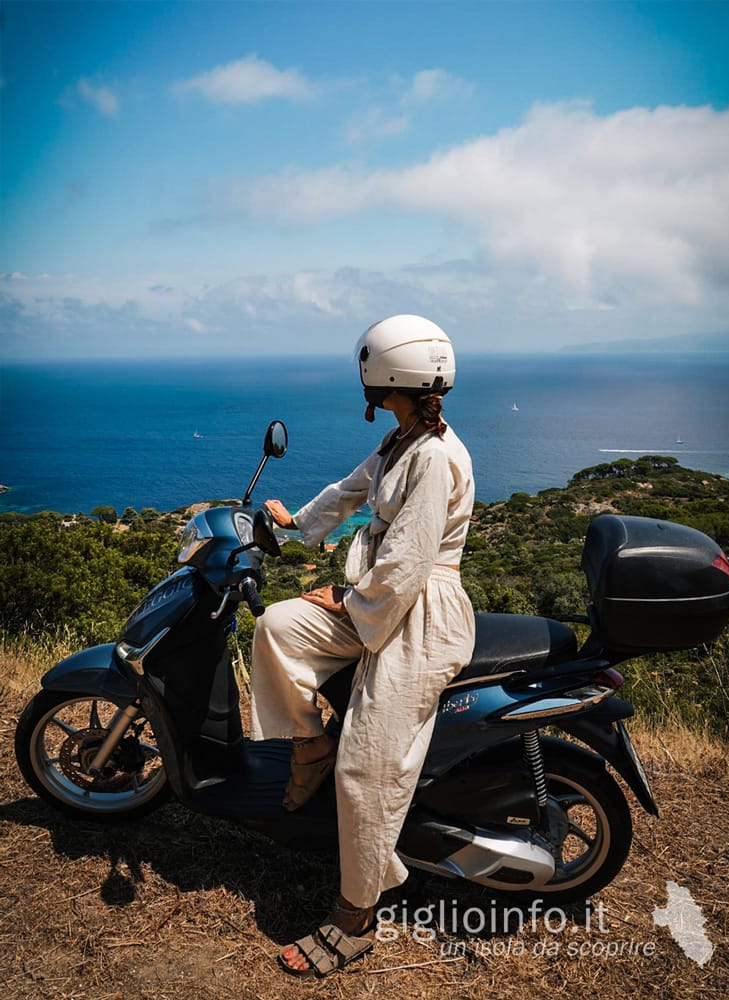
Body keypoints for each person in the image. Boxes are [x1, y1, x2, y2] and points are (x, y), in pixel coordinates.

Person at [250, 314, 476, 978]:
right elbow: (348, 494)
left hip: (421, 613)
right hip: (381, 598)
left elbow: (407, 565)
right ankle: (308, 742)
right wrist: (295, 529)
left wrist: (345, 599)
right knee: (278, 628)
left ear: (385, 378)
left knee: (369, 767)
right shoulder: (403, 441)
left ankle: (355, 918)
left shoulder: (434, 457)